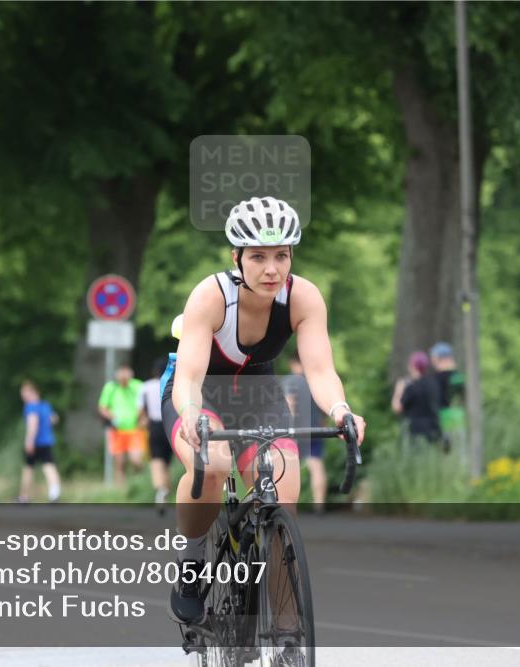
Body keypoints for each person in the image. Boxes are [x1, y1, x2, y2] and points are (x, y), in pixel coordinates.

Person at [163, 196, 366, 640]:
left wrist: (340, 409)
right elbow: (190, 376)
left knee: (283, 488)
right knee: (212, 466)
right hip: (198, 395)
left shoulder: (304, 297)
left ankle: (287, 628)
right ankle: (194, 560)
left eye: (281, 256)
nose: (272, 269)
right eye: (258, 257)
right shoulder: (211, 296)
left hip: (259, 396)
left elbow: (319, 369)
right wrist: (196, 416)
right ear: (236, 257)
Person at [283, 353, 328, 514]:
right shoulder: (315, 382)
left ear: (293, 363)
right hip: (315, 428)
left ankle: (288, 507)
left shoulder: (290, 381)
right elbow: (324, 407)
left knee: (289, 468)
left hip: (296, 430)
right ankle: (319, 506)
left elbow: (290, 405)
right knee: (316, 466)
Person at [98, 365, 145, 486]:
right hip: (117, 430)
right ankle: (121, 487)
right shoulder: (111, 387)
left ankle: (138, 482)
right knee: (120, 462)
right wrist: (112, 417)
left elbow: (145, 403)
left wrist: (144, 418)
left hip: (135, 429)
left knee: (136, 460)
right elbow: (102, 407)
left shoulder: (138, 385)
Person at [18, 380, 62, 503]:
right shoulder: (45, 405)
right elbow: (54, 419)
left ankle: (24, 497)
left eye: (24, 393)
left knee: (28, 468)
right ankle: (54, 494)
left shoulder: (31, 407)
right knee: (49, 466)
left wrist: (29, 441)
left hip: (35, 442)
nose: (23, 397)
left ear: (33, 392)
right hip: (47, 441)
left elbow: (33, 424)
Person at [139, 357, 172, 512]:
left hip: (155, 426)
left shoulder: (145, 386)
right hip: (171, 425)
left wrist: (143, 422)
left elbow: (141, 410)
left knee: (156, 461)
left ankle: (161, 489)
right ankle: (167, 489)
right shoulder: (174, 383)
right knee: (167, 462)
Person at [391, 351, 442, 448]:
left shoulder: (411, 387)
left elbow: (397, 408)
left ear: (412, 366)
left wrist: (398, 390)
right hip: (432, 428)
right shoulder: (433, 384)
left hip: (414, 431)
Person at [430, 342, 466, 456]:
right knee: (460, 451)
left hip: (443, 418)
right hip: (458, 416)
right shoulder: (458, 376)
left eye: (434, 357)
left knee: (446, 453)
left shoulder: (436, 378)